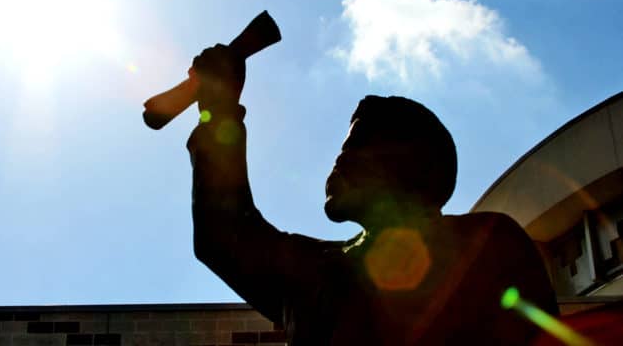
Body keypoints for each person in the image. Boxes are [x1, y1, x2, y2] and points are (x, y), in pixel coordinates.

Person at [187, 44, 558, 345]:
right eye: (342, 149)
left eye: (359, 147)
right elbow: (225, 233)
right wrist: (217, 115)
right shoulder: (315, 271)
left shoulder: (486, 245)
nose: (339, 161)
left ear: (417, 166)